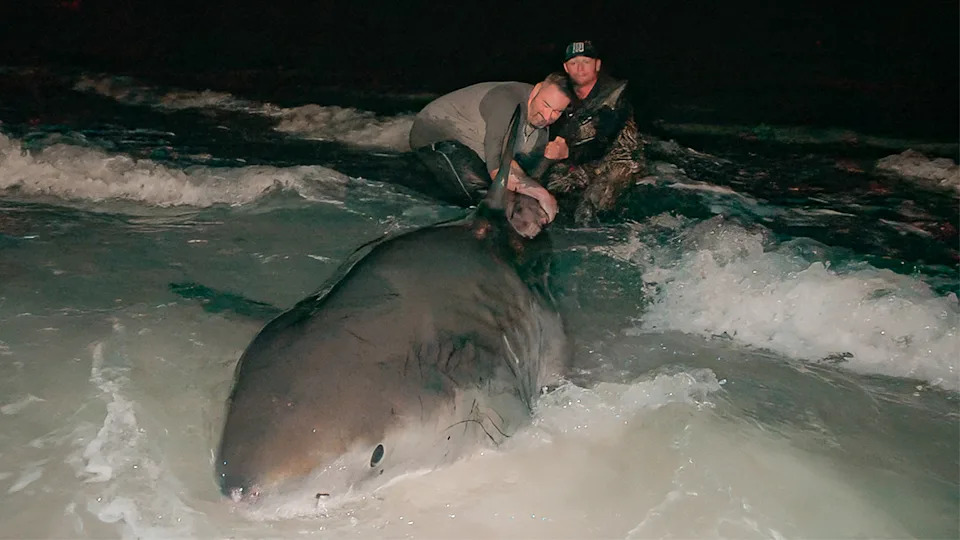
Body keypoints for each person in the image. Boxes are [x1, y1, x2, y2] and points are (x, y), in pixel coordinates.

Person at [409, 73, 573, 226]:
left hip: (478, 146)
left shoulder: (542, 130)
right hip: (436, 134)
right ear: (536, 89)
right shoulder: (506, 101)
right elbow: (498, 169)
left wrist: (551, 158)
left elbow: (530, 174)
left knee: (519, 194)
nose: (547, 116)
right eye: (545, 105)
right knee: (487, 196)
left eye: (557, 112)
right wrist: (543, 195)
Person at [543, 40, 646, 225]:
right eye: (574, 63)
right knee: (550, 188)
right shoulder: (560, 93)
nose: (580, 69)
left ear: (597, 65)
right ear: (566, 67)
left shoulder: (613, 97)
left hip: (618, 159)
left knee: (590, 205)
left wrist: (567, 153)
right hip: (581, 159)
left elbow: (603, 141)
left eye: (586, 62)